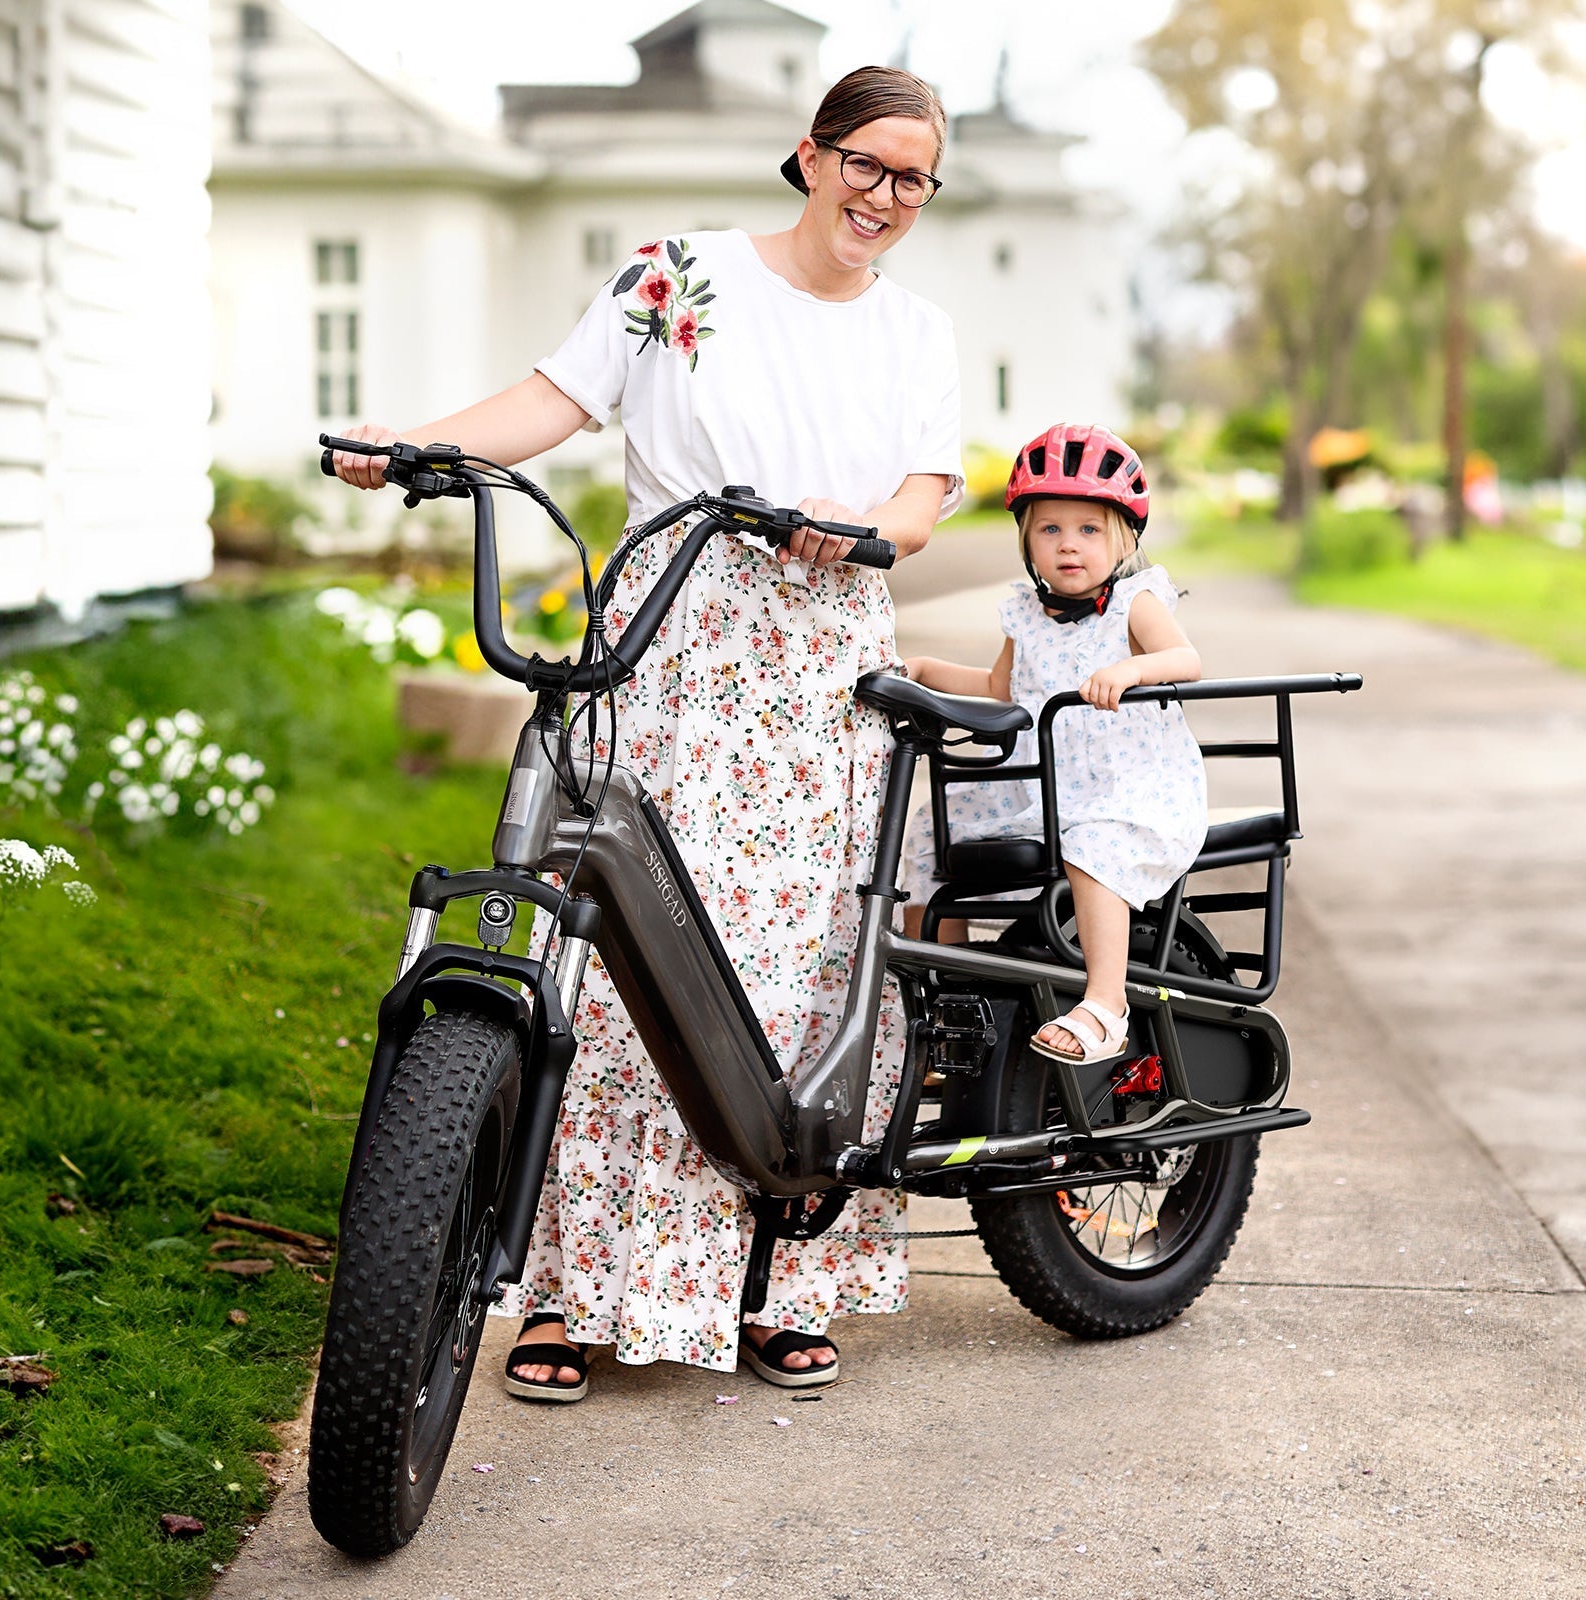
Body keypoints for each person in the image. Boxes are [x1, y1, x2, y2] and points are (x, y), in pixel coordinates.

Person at [330, 66, 963, 1396]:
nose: (886, 196)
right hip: (668, 643)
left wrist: (861, 534)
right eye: (867, 164)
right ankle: (567, 1291)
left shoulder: (918, 331)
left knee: (796, 965)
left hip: (819, 670)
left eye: (914, 178)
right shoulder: (677, 277)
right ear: (811, 154)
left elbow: (924, 493)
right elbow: (551, 402)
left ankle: (779, 1282)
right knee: (615, 956)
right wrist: (415, 448)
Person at [900, 423, 1207, 1066]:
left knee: (1093, 842)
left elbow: (1185, 659)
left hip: (1126, 790)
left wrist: (1130, 669)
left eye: (1089, 530)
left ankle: (1106, 1003)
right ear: (1028, 542)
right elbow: (999, 686)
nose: (1069, 545)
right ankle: (947, 1002)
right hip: (1040, 788)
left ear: (1120, 537)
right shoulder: (1023, 616)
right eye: (1050, 530)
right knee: (930, 836)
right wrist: (927, 670)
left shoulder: (1134, 601)